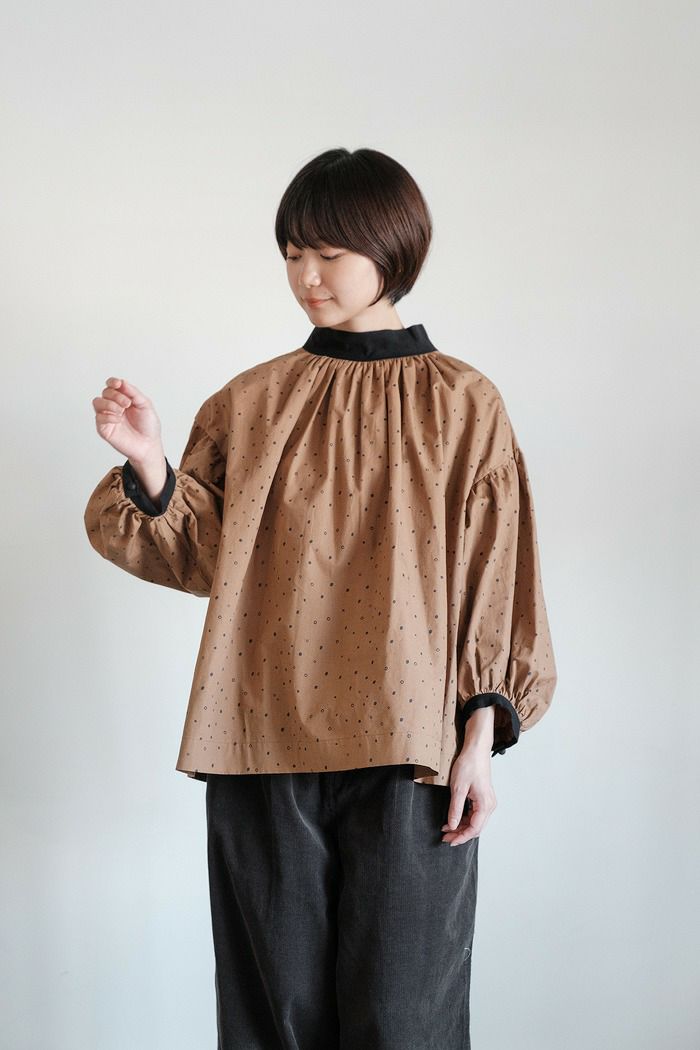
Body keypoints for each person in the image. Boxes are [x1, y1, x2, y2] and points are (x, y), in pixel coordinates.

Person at [84, 146, 557, 1049]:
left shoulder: (464, 403)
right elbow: (201, 555)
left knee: (404, 1020)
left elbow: (497, 575)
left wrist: (480, 738)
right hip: (260, 735)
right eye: (293, 253)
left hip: (410, 747)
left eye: (330, 253)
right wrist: (149, 463)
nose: (307, 276)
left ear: (393, 249)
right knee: (276, 1020)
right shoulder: (254, 401)